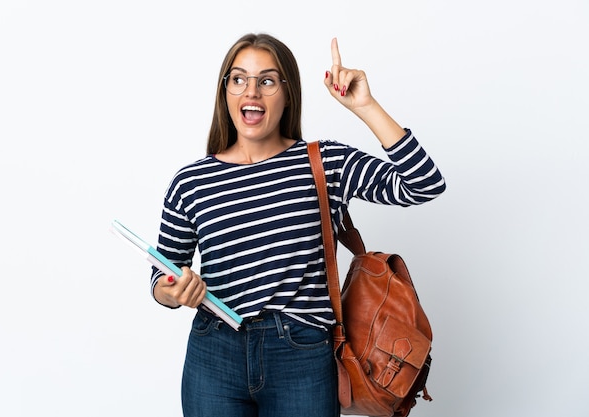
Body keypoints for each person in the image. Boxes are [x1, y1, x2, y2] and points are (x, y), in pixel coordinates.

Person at [150, 33, 445, 417]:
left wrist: (366, 106)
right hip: (213, 354)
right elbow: (161, 274)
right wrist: (174, 292)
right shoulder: (192, 182)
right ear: (225, 92)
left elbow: (422, 183)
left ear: (288, 93)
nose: (251, 91)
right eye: (238, 79)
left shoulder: (325, 163)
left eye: (267, 80)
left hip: (301, 356)